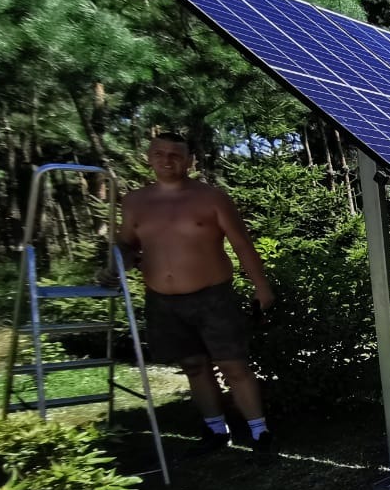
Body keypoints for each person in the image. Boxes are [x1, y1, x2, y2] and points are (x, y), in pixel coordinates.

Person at [112, 131, 276, 458]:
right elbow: (127, 244)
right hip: (163, 299)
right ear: (149, 157)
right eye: (160, 153)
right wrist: (116, 263)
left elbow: (243, 245)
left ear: (189, 161)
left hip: (213, 296)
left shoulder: (212, 198)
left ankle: (260, 432)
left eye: (175, 154)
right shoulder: (135, 202)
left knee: (234, 365)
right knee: (194, 367)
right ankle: (216, 429)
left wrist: (262, 287)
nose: (167, 160)